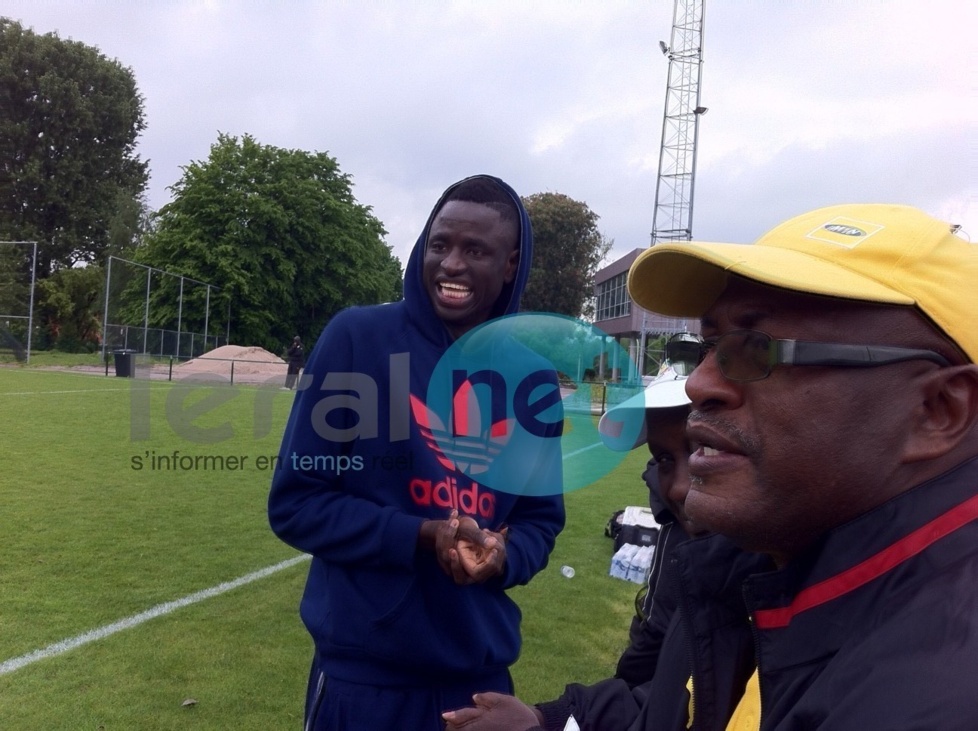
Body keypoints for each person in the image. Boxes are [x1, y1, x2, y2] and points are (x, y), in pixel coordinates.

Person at [449, 203, 978, 730]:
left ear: (937, 411)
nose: (700, 384)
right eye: (708, 346)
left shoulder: (934, 696)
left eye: (758, 350)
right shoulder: (758, 565)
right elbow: (674, 709)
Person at [267, 175, 565, 731]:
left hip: (480, 686)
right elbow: (297, 503)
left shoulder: (533, 378)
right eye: (440, 244)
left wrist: (502, 553)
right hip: (364, 683)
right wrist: (422, 536)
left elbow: (540, 522)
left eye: (475, 251)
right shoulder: (358, 338)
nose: (451, 264)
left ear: (509, 266)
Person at [445, 368, 708, 731]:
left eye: (702, 449)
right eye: (663, 459)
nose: (678, 487)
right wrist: (548, 717)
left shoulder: (769, 576)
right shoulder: (682, 534)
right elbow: (650, 688)